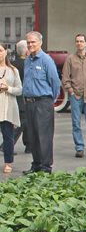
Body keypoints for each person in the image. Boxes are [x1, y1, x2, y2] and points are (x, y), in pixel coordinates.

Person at [22, 31, 60, 175]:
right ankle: (36, 165)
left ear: (40, 42)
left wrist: (51, 101)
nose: (30, 44)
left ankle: (45, 168)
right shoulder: (27, 60)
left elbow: (55, 83)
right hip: (30, 103)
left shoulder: (46, 60)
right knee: (33, 135)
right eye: (28, 42)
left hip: (43, 103)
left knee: (44, 136)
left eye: (33, 42)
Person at [62, 34, 86, 158]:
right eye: (77, 41)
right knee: (76, 123)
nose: (79, 43)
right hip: (76, 96)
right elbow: (65, 78)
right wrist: (71, 92)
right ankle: (79, 148)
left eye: (81, 41)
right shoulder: (70, 59)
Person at [0, 40, 30, 155]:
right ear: (27, 53)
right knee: (22, 123)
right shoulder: (26, 65)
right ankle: (27, 145)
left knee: (23, 123)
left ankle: (28, 145)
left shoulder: (14, 66)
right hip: (18, 99)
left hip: (11, 99)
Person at [0, 41, 22, 173]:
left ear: (5, 52)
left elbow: (19, 90)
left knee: (8, 135)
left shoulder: (13, 70)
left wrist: (8, 88)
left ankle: (8, 162)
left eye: (1, 50)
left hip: (7, 107)